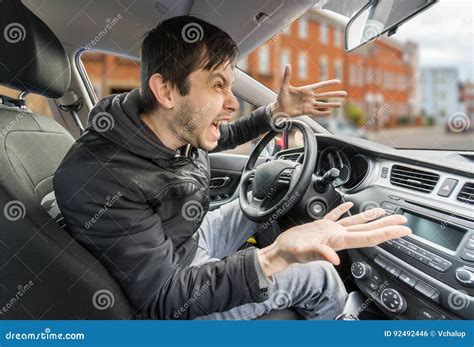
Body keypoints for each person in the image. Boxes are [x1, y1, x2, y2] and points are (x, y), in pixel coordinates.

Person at [53, 16, 411, 320]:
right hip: (178, 293)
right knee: (318, 276)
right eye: (218, 85)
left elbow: (217, 137)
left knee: (265, 194)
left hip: (186, 240)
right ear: (165, 91)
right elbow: (162, 297)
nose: (231, 103)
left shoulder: (162, 123)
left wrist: (275, 113)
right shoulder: (100, 176)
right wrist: (275, 256)